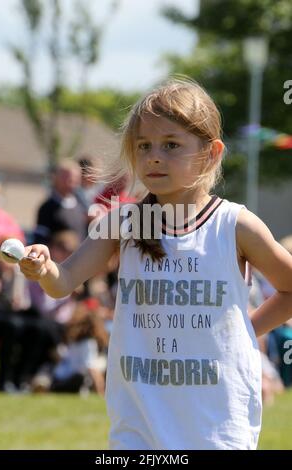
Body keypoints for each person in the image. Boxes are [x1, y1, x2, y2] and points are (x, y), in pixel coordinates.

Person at [16, 79, 292, 450]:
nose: (154, 156)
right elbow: (63, 282)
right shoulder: (123, 222)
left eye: (171, 145)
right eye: (144, 146)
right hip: (139, 421)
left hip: (216, 424)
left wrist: (246, 328)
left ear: (212, 153)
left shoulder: (234, 225)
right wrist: (44, 267)